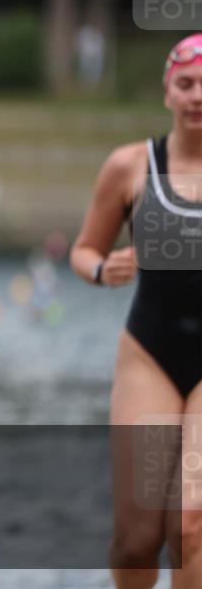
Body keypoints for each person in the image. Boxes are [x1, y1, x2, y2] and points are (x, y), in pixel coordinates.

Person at [71, 33, 202, 588]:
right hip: (150, 353)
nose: (197, 96)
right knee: (137, 539)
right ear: (168, 92)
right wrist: (104, 270)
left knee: (190, 526)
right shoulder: (130, 166)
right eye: (186, 84)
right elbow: (84, 250)